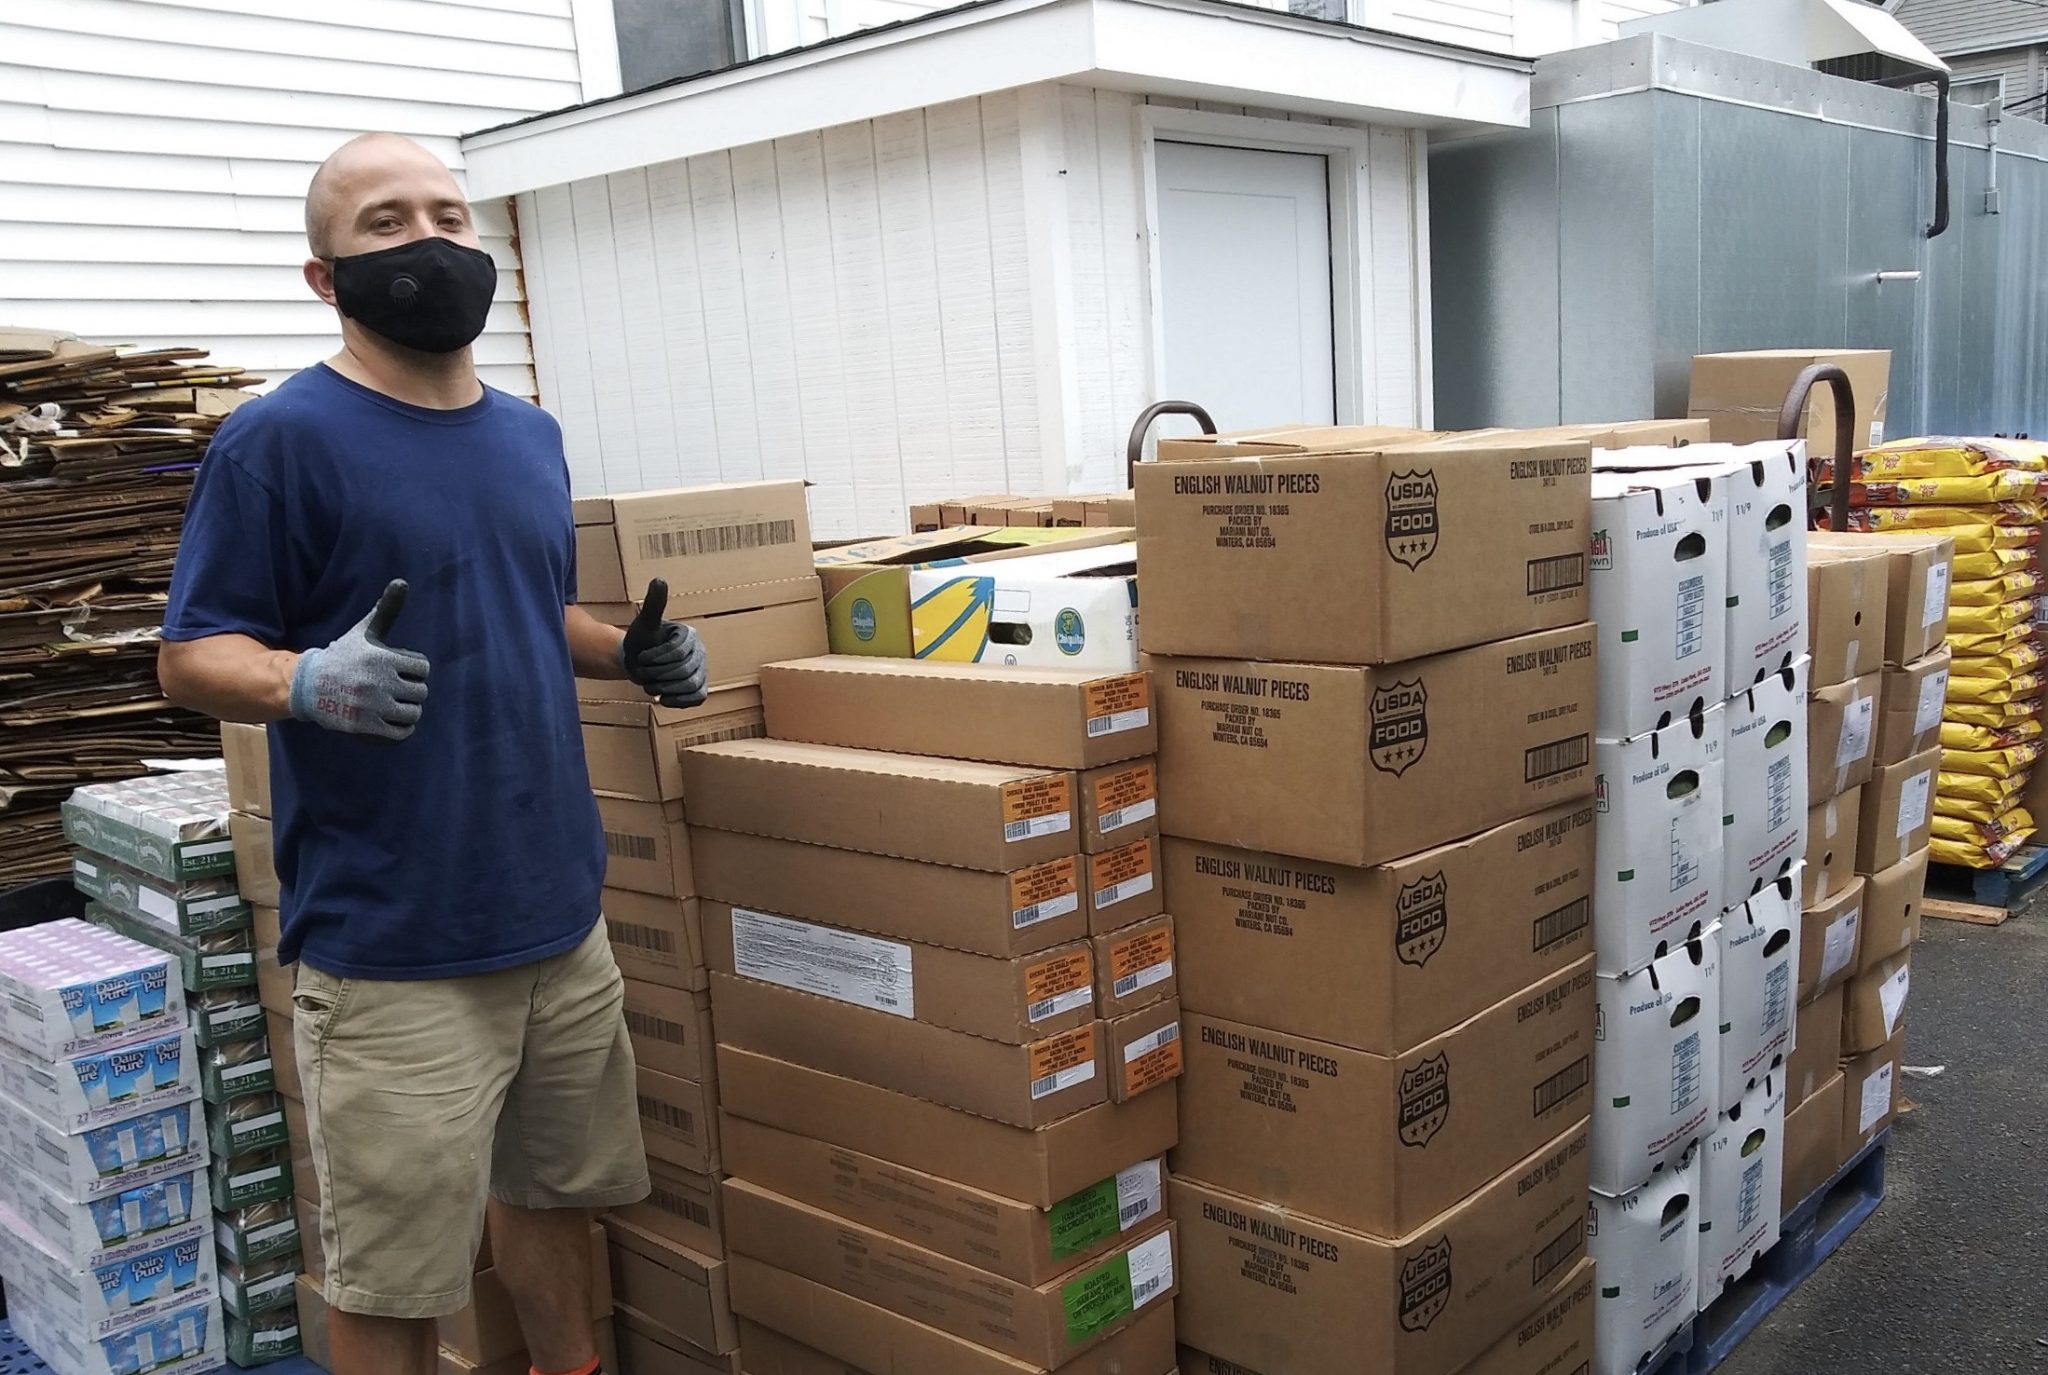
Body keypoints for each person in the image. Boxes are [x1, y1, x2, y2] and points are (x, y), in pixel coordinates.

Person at [158, 132, 706, 1375]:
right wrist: (304, 680)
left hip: (556, 914)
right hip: (396, 939)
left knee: (554, 1197)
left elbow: (524, 607)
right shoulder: (278, 441)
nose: (430, 242)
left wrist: (625, 652)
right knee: (393, 1275)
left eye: (448, 217)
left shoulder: (528, 434)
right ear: (325, 277)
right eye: (386, 223)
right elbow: (191, 657)